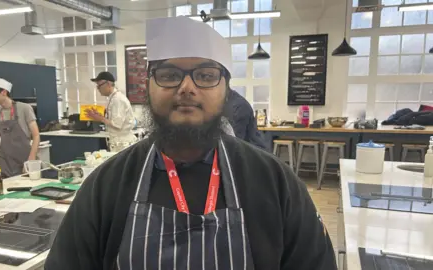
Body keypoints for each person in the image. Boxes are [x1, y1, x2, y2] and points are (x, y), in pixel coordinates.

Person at [44, 16, 336, 270]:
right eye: (169, 75)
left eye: (206, 76)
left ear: (226, 90)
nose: (186, 88)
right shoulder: (106, 185)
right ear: (147, 86)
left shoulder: (275, 182)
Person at [86, 71, 137, 151]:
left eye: (99, 85)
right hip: (118, 142)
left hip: (122, 143)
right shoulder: (113, 98)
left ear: (109, 84)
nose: (98, 88)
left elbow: (117, 124)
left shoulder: (117, 99)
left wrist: (101, 118)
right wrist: (100, 116)